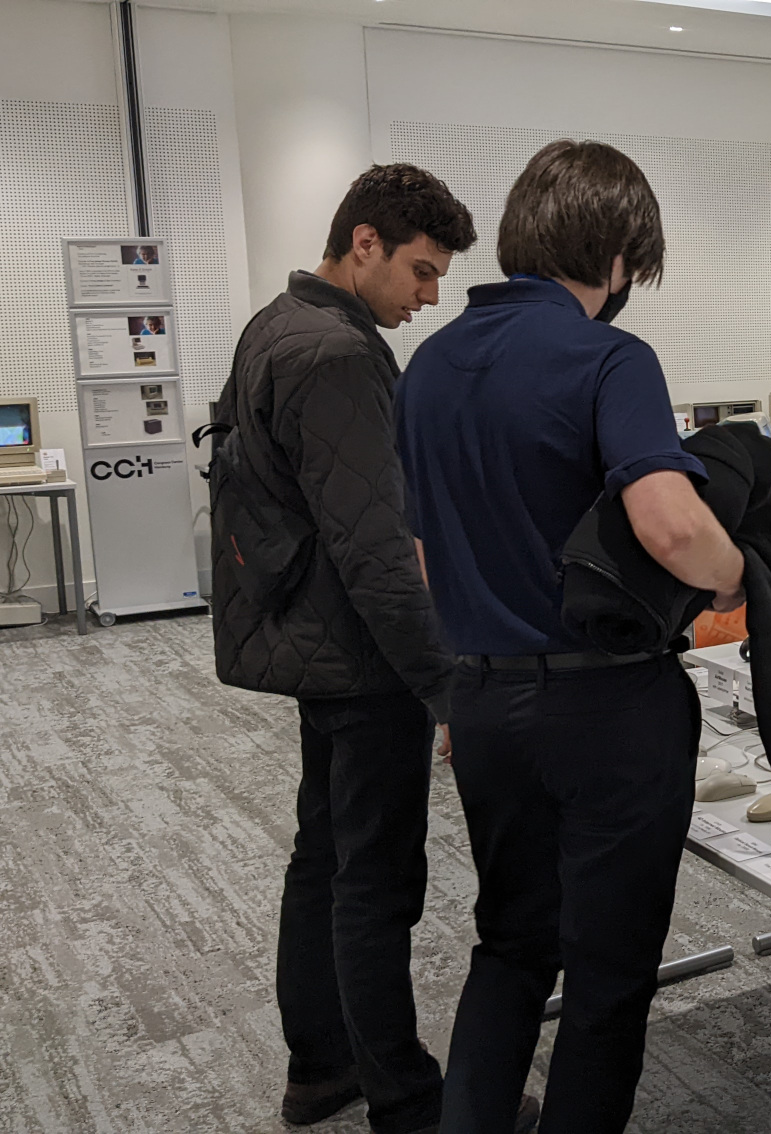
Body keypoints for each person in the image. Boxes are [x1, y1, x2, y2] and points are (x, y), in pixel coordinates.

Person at [396, 139, 744, 1134]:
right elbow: (669, 524)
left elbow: (426, 557)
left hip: (483, 698)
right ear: (621, 254)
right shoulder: (611, 359)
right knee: (607, 974)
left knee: (509, 945)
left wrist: (464, 678)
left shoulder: (427, 365)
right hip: (605, 708)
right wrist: (741, 576)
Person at [208, 164, 484, 1134]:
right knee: (376, 881)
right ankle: (406, 1100)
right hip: (361, 657)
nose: (430, 296)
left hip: (315, 642)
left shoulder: (275, 325)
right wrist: (444, 686)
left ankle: (320, 1069)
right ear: (363, 244)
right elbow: (375, 546)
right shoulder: (336, 354)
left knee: (323, 861)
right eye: (421, 270)